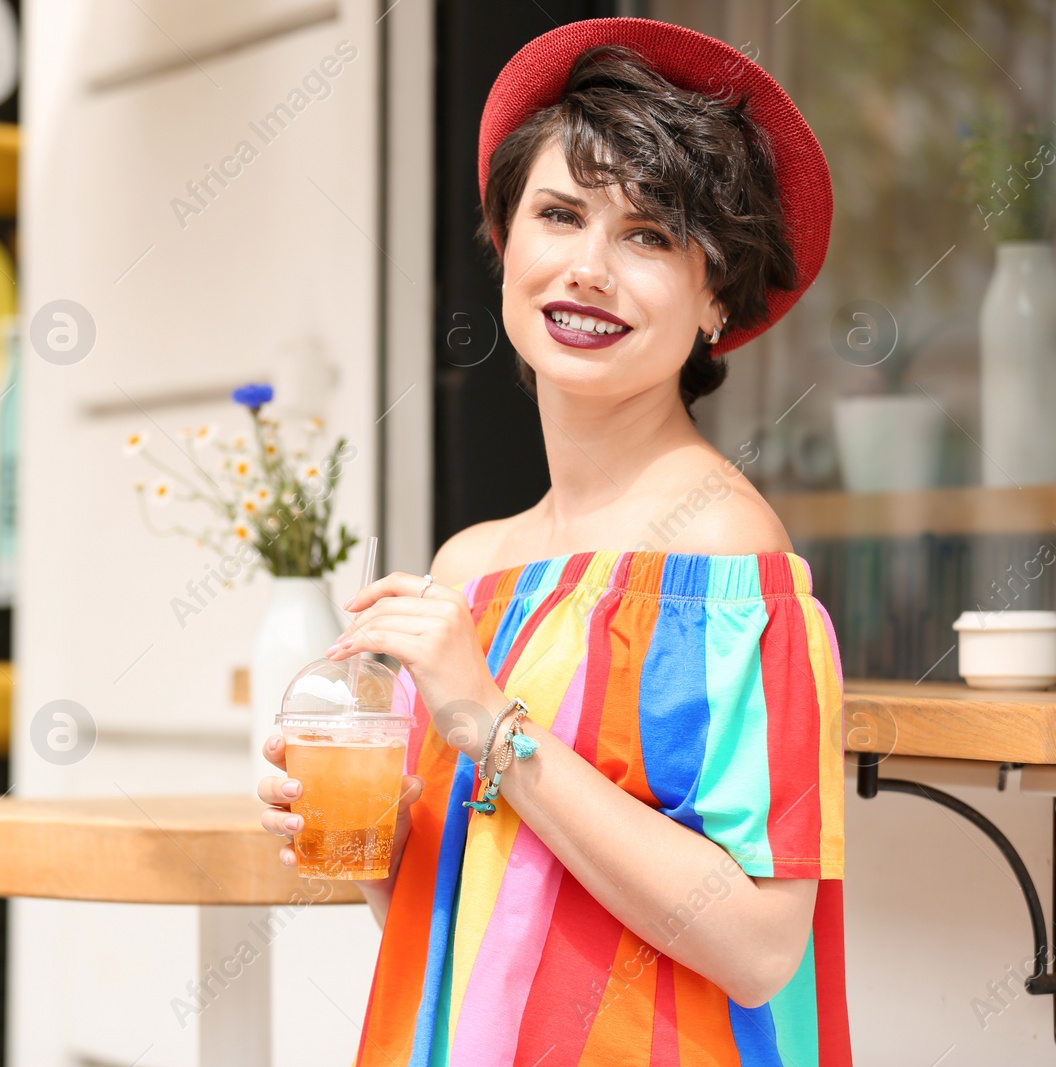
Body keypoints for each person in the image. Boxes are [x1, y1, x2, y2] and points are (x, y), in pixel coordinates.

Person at [258, 17, 850, 1065]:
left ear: (716, 294)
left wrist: (489, 722)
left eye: (648, 235)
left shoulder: (716, 550)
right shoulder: (470, 567)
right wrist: (360, 835)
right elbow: (471, 919)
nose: (588, 267)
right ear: (502, 247)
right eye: (559, 215)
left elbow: (758, 944)